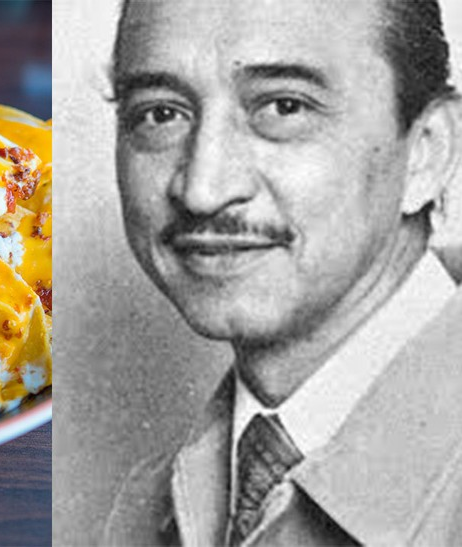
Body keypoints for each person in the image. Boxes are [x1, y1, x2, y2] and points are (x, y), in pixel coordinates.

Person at [103, 0, 462, 544]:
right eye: (161, 113)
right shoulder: (147, 510)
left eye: (284, 107)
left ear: (427, 153)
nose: (203, 189)